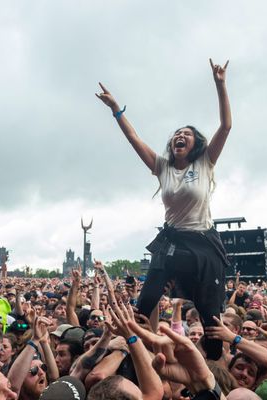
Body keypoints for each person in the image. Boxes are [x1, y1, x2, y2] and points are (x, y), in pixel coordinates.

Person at [96, 58, 232, 360]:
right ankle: (133, 355)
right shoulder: (162, 167)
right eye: (176, 134)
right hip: (172, 240)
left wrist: (220, 85)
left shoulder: (205, 163)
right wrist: (116, 108)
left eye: (186, 133)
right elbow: (133, 138)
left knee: (210, 315)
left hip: (204, 243)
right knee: (145, 301)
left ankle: (214, 367)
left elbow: (226, 126)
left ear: (196, 143)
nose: (179, 136)